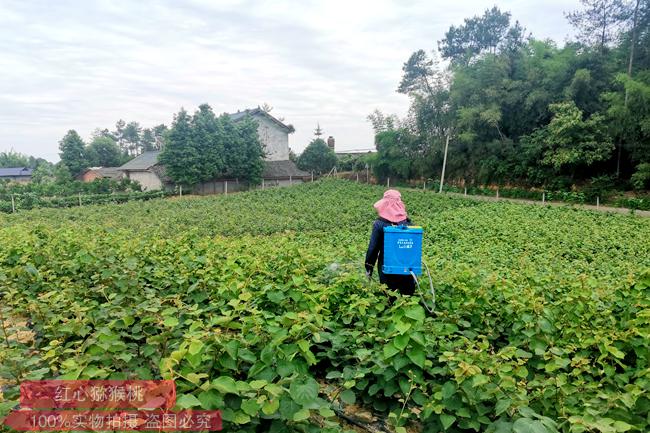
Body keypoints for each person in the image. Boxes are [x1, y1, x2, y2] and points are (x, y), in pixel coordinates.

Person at [365, 189, 416, 297]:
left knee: (389, 302)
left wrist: (369, 268)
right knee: (407, 301)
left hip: (387, 271)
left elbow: (373, 249)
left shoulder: (379, 224)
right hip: (407, 270)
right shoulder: (409, 224)